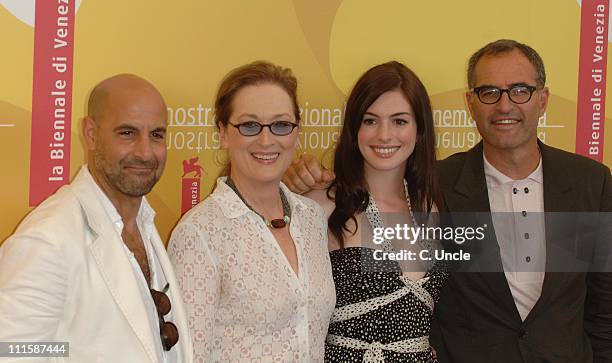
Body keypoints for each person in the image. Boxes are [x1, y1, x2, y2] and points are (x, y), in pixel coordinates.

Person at [283, 39, 612, 363]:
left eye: (520, 90)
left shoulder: (589, 182)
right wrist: (297, 180)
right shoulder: (439, 187)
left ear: (543, 99)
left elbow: (604, 306)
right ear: (471, 103)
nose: (505, 105)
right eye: (490, 92)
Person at [0, 74, 193, 362]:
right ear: (91, 134)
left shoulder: (143, 223)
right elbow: (12, 352)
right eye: (127, 133)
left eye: (156, 135)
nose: (144, 152)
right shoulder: (48, 239)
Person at [167, 61, 335, 362]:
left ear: (296, 132)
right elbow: (189, 358)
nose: (266, 139)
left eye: (281, 124)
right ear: (222, 132)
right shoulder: (199, 234)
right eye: (249, 125)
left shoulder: (312, 218)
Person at [305, 61, 447, 362]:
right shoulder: (322, 205)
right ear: (354, 128)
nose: (384, 135)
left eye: (399, 121)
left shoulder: (428, 208)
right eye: (370, 120)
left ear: (419, 129)